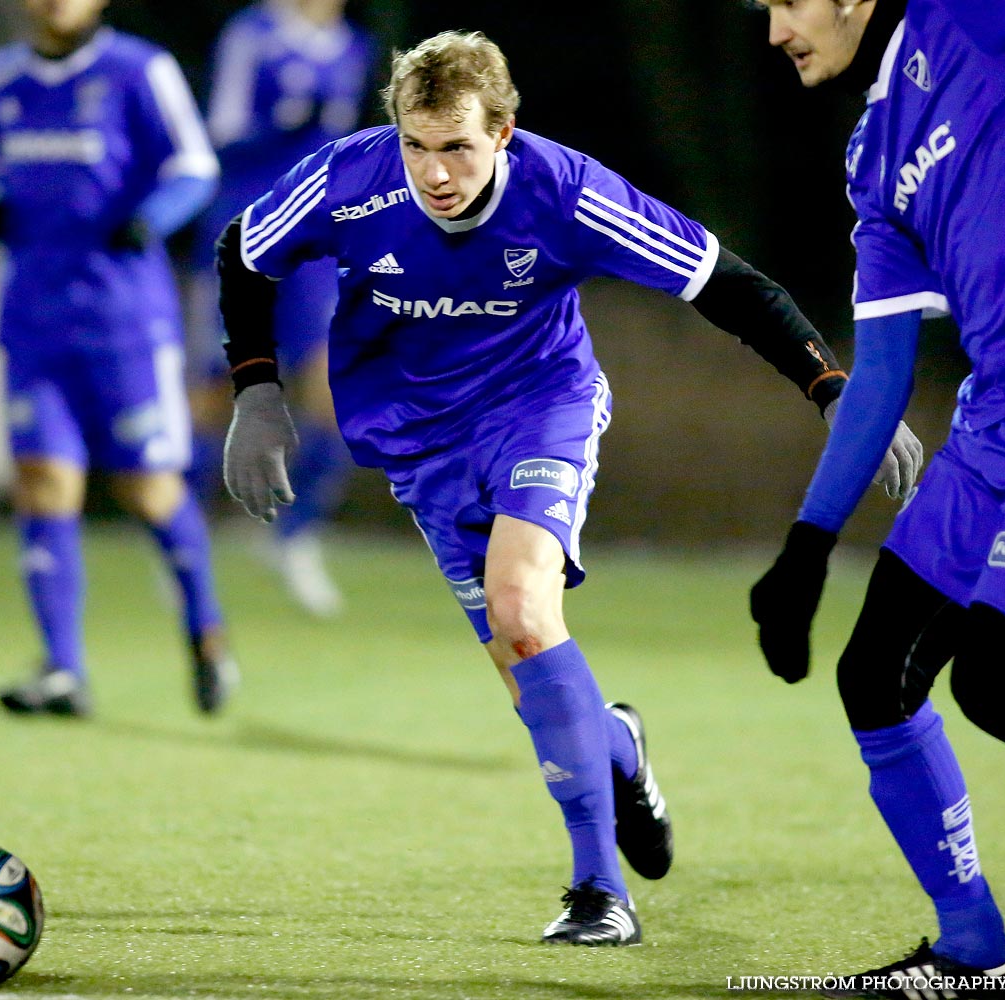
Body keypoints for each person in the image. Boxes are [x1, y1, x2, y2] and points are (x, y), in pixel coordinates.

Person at [214, 29, 920, 944]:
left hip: (538, 410)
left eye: (458, 146)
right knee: (525, 670)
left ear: (503, 133)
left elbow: (725, 282)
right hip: (420, 441)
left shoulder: (567, 192)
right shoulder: (348, 178)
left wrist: (831, 387)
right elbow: (245, 251)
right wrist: (258, 391)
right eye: (416, 145)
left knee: (521, 605)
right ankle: (616, 743)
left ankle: (600, 892)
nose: (434, 172)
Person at [749, 1, 1005, 997]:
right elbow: (882, 370)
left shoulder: (974, 21)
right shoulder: (876, 152)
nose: (774, 27)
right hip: (992, 427)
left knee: (999, 679)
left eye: (786, 0)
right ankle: (971, 953)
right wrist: (806, 546)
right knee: (875, 675)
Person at [0, 0, 237, 718]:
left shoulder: (138, 71)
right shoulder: (0, 77)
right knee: (41, 482)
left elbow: (194, 167)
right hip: (33, 316)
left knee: (149, 491)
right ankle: (63, 669)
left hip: (124, 321)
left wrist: (150, 218)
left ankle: (205, 632)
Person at [186, 0, 373, 618]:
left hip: (314, 242)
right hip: (243, 223)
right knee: (218, 394)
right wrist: (285, 124)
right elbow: (221, 129)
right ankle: (187, 543)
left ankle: (295, 538)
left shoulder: (352, 46)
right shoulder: (253, 32)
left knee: (334, 389)